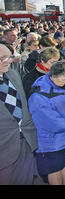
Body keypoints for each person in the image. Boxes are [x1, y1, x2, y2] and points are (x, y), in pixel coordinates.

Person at [28, 60, 65, 185]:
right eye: (62, 80)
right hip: (53, 139)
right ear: (52, 75)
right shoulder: (40, 92)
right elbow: (48, 117)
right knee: (54, 168)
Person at [0, 43, 38, 184]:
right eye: (2, 58)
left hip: (26, 141)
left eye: (9, 56)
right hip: (4, 149)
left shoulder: (12, 73)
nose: (9, 61)